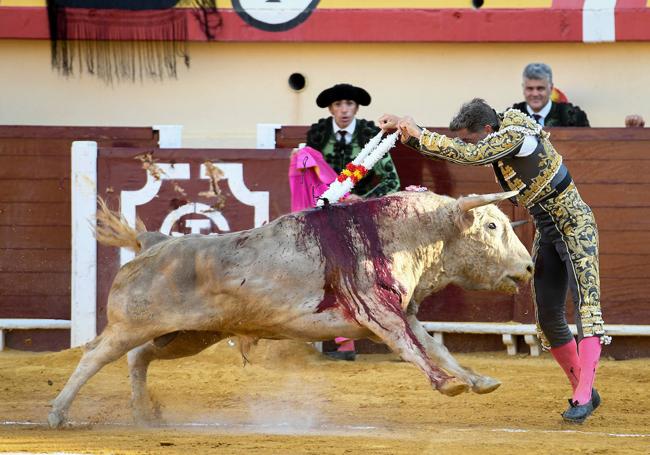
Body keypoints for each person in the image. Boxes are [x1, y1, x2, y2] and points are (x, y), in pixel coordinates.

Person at [378, 99, 610, 423]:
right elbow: (463, 150)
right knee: (548, 315)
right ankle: (582, 388)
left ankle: (583, 395)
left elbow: (470, 156)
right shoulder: (499, 138)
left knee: (587, 308)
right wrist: (411, 134)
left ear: (487, 129)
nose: (468, 144)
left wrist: (420, 132)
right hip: (547, 230)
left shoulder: (516, 136)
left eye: (471, 137)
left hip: (576, 226)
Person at [306, 83, 400, 200]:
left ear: (356, 108)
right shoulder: (318, 134)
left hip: (361, 206)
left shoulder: (369, 134)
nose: (344, 110)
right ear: (330, 109)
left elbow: (392, 181)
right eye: (338, 104)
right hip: (325, 202)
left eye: (350, 104)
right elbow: (308, 176)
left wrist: (364, 199)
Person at [512, 63, 590, 127]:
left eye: (540, 88)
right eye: (530, 88)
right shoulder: (510, 117)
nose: (535, 94)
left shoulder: (573, 117)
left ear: (551, 88)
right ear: (523, 88)